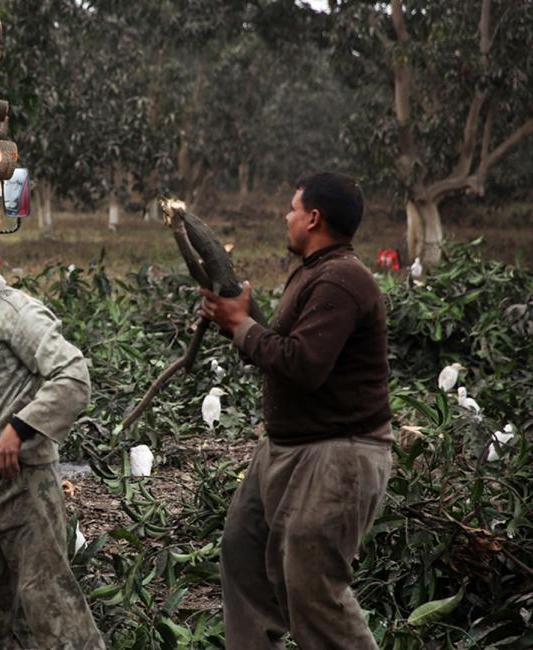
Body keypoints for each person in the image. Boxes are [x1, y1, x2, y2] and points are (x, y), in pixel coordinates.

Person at [199, 172, 393, 649]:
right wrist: (238, 321)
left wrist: (244, 326)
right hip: (287, 448)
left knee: (312, 585)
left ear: (313, 217)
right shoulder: (315, 271)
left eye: (291, 208)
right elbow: (287, 350)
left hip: (337, 454)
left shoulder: (344, 278)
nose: (286, 217)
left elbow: (304, 364)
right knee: (243, 553)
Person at [0, 221, 104, 650]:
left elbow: (73, 376)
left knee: (48, 598)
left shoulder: (17, 315)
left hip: (23, 484)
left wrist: (20, 426)